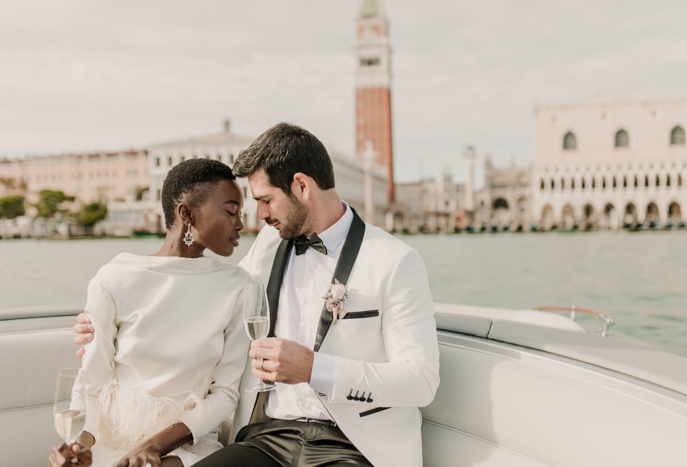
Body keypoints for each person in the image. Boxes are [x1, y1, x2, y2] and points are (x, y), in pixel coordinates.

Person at [75, 123, 441, 467]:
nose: (259, 215)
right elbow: (209, 293)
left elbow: (421, 381)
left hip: (352, 444)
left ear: (301, 186)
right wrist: (104, 327)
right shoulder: (269, 243)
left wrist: (316, 369)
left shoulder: (396, 261)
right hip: (266, 437)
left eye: (265, 200)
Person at [51, 158, 255, 467]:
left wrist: (154, 446)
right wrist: (79, 444)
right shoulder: (115, 278)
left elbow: (225, 393)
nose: (240, 223)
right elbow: (93, 381)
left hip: (185, 445)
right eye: (231, 210)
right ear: (186, 213)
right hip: (110, 438)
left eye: (241, 212)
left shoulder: (239, 287)